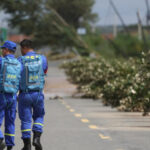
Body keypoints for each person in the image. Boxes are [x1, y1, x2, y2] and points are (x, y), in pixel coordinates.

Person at [18, 39, 48, 150]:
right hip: (38, 94)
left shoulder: (21, 60)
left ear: (25, 48)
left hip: (25, 94)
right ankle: (37, 138)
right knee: (39, 116)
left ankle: (27, 145)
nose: (21, 51)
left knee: (26, 120)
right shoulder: (42, 58)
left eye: (21, 49)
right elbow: (44, 72)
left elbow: (17, 75)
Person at [0, 41, 21, 150]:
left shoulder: (1, 61)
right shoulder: (19, 63)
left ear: (7, 50)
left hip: (2, 95)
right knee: (10, 123)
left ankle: (0, 139)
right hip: (13, 96)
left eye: (3, 49)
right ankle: (10, 146)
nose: (1, 51)